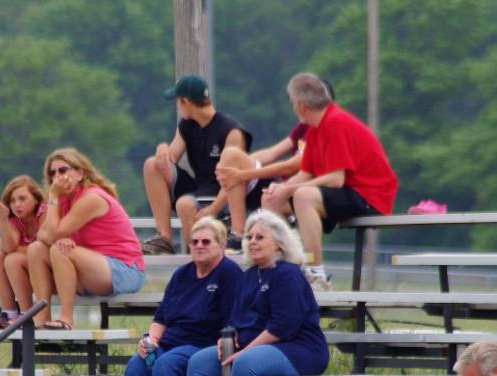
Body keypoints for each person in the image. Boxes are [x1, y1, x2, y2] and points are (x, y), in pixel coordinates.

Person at [184, 209, 329, 376]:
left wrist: (245, 350)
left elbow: (283, 326)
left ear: (279, 243)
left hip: (298, 348)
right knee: (198, 364)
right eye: (249, 237)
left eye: (260, 237)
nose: (252, 242)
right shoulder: (250, 275)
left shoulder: (288, 274)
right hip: (258, 346)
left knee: (245, 365)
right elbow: (235, 318)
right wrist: (226, 338)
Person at [113, 217, 242, 376]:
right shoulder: (183, 274)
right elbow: (161, 317)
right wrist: (150, 341)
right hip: (171, 342)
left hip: (204, 345)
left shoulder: (229, 273)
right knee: (138, 363)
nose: (199, 245)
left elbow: (235, 319)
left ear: (221, 245)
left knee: (167, 363)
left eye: (206, 241)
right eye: (194, 241)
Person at [261, 72, 398, 291]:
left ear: (302, 104)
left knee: (303, 195)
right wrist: (280, 189)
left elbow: (336, 179)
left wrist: (290, 189)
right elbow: (306, 173)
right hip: (349, 191)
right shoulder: (317, 127)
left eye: (292, 102)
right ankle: (290, 267)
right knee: (271, 201)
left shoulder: (335, 122)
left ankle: (317, 274)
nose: (292, 107)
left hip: (371, 195)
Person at [28, 148, 145, 329]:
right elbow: (42, 235)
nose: (57, 176)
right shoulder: (61, 200)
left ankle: (66, 319)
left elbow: (51, 234)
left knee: (59, 250)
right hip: (91, 269)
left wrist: (53, 197)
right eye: (52, 173)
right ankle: (42, 318)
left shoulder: (91, 198)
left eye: (63, 170)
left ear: (80, 173)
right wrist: (57, 236)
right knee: (35, 249)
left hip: (124, 270)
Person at [214, 79, 336, 246]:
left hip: (304, 191)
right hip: (285, 187)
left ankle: (239, 233)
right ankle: (236, 229)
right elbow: (272, 153)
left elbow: (291, 166)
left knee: (266, 192)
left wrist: (243, 173)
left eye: (296, 101)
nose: (294, 106)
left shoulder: (326, 128)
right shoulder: (304, 127)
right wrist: (241, 165)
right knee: (231, 158)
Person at [141, 74, 252, 254]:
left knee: (185, 204)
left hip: (223, 194)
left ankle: (198, 260)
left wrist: (214, 207)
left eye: (178, 101)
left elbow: (235, 180)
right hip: (199, 188)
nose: (177, 105)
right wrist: (162, 147)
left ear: (185, 101)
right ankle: (165, 238)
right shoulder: (186, 124)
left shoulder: (230, 130)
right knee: (152, 165)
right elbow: (170, 159)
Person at [0, 175, 46, 329]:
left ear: (35, 199)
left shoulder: (44, 212)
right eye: (12, 201)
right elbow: (8, 248)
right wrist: (3, 219)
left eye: (22, 199)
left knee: (12, 259)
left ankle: (27, 315)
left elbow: (43, 246)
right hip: (24, 269)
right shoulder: (14, 219)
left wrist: (15, 248)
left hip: (46, 269)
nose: (17, 205)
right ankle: (10, 314)